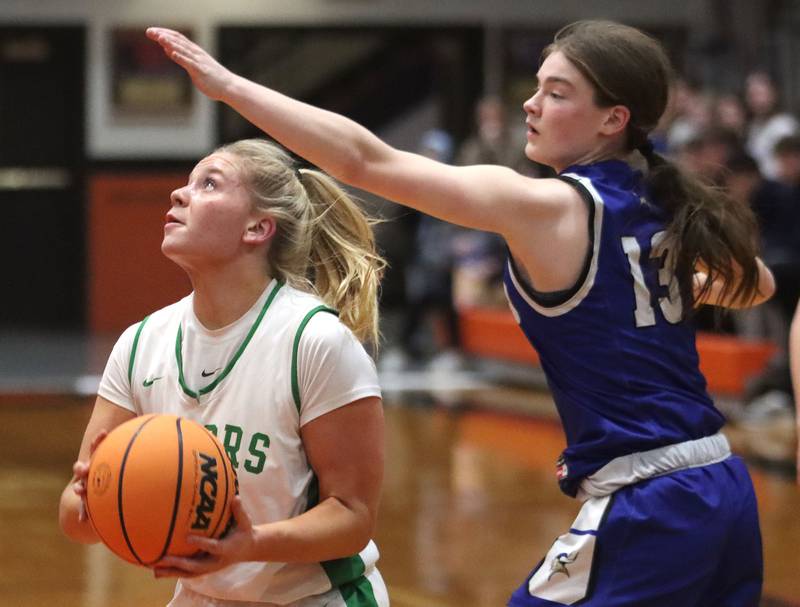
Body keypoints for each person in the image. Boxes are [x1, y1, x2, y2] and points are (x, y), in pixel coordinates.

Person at [145, 20, 776, 606]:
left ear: (613, 118)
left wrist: (227, 86)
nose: (531, 105)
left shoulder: (549, 205)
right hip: (722, 482)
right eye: (538, 88)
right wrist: (667, 283)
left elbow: (366, 161)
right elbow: (758, 285)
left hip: (654, 501)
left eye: (557, 94)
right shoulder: (657, 198)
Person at [58, 139, 389, 607]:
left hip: (316, 598)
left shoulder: (314, 341)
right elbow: (74, 520)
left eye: (208, 183)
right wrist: (93, 497)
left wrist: (251, 545)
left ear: (257, 227)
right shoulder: (139, 344)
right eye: (187, 182)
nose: (178, 194)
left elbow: (353, 515)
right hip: (198, 597)